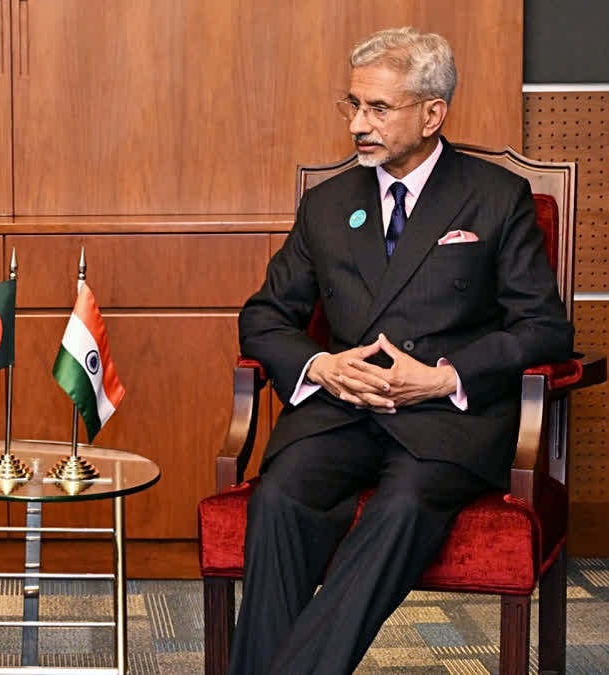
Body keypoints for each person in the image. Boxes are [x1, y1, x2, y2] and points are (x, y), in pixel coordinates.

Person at [230, 27, 573, 674]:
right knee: (278, 495)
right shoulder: (328, 205)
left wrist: (445, 377)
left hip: (445, 424)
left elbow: (544, 329)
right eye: (353, 105)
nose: (359, 123)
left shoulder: (497, 199)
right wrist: (320, 364)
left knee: (404, 504)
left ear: (432, 113)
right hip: (342, 411)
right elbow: (264, 315)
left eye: (378, 108)